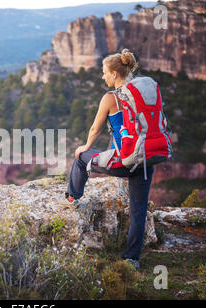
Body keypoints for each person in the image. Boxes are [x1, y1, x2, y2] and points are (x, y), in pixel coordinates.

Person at [65, 49, 154, 270]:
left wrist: (84, 147)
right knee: (138, 211)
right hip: (145, 161)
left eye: (105, 72)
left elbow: (95, 128)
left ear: (115, 74)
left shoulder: (110, 98)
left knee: (81, 158)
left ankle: (72, 196)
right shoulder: (142, 94)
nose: (103, 77)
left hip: (122, 162)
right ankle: (132, 259)